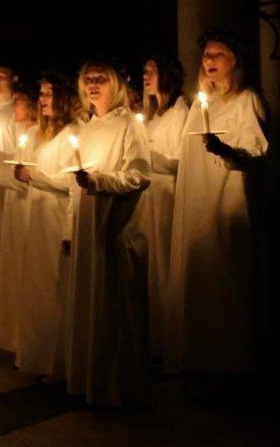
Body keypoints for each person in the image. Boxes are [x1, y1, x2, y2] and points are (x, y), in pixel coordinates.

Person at [165, 32, 268, 382]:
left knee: (226, 280)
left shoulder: (246, 99)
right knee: (199, 278)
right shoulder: (201, 103)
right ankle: (198, 360)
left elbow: (256, 150)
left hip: (227, 199)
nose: (210, 60)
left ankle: (230, 365)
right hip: (198, 200)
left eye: (219, 54)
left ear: (235, 60)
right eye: (206, 54)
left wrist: (224, 150)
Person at [64, 60, 151, 406]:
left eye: (101, 79)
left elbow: (139, 175)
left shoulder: (129, 125)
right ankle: (92, 382)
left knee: (115, 305)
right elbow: (75, 182)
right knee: (91, 301)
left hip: (116, 224)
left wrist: (99, 180)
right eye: (89, 79)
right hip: (87, 223)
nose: (94, 85)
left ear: (116, 84)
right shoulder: (86, 127)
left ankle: (119, 388)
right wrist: (70, 223)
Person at [13, 75, 78, 378]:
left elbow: (72, 182)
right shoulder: (40, 133)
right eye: (41, 93)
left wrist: (34, 177)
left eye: (50, 94)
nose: (43, 99)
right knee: (36, 286)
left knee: (54, 287)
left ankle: (59, 360)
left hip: (55, 218)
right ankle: (36, 356)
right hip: (36, 219)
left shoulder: (73, 134)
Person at [138, 55, 187, 358]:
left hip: (166, 194)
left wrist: (151, 157)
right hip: (148, 196)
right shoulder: (152, 115)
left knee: (163, 264)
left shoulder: (180, 112)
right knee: (149, 265)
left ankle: (170, 342)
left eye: (152, 70)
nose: (146, 76)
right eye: (144, 71)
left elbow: (181, 160)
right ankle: (152, 337)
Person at [0, 88, 38, 352]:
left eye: (19, 104)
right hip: (13, 206)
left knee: (21, 265)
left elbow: (26, 180)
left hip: (24, 209)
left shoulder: (33, 135)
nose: (14, 109)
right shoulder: (23, 135)